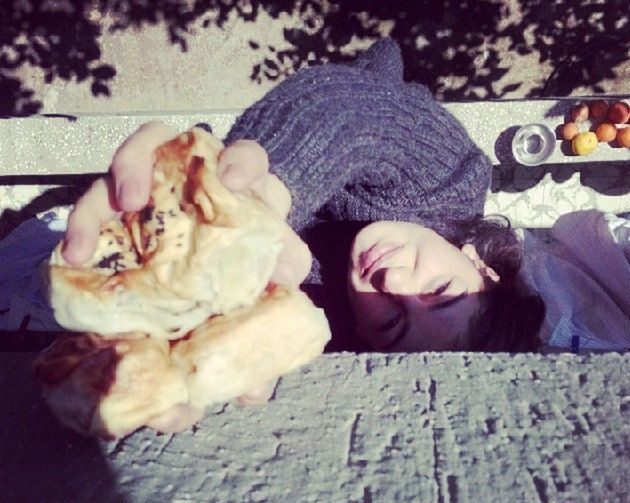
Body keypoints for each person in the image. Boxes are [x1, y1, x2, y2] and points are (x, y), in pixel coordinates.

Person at [62, 39, 545, 361]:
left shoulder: (315, 309)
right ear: (481, 265)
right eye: (440, 291)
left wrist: (177, 180)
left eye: (393, 326)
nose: (393, 280)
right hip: (361, 92)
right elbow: (359, 116)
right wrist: (261, 196)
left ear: (361, 336)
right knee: (369, 87)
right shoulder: (449, 182)